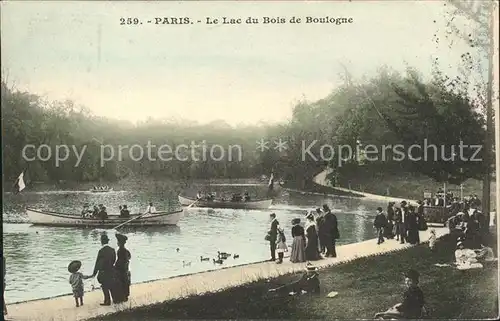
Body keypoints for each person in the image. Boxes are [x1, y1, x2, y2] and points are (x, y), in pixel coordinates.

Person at [92, 233, 117, 305]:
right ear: (107, 241)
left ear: (102, 242)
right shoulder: (112, 250)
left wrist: (94, 273)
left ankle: (107, 301)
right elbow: (114, 260)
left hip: (104, 271)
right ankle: (114, 299)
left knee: (105, 286)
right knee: (111, 285)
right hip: (111, 270)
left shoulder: (101, 251)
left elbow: (97, 263)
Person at [114, 234, 131, 303]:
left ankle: (122, 297)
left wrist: (115, 267)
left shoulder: (121, 250)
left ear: (120, 243)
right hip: (125, 268)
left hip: (121, 269)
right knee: (125, 282)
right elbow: (129, 257)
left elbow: (120, 260)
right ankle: (125, 296)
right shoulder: (125, 250)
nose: (117, 243)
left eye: (118, 242)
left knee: (121, 282)